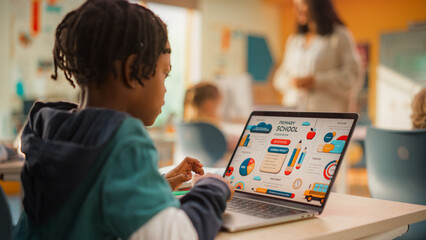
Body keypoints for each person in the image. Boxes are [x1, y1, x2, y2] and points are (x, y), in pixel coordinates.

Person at [13, 1, 234, 239]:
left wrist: (153, 186)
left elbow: (88, 201)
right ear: (132, 70)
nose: (166, 89)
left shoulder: (54, 128)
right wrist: (211, 187)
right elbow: (180, 235)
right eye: (165, 73)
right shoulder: (122, 140)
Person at [273, 0, 363, 112]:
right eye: (294, 6)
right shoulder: (294, 40)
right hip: (293, 114)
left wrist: (316, 81)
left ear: (318, 5)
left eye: (301, 5)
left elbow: (352, 78)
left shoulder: (340, 36)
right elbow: (279, 77)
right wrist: (292, 81)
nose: (295, 10)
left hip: (326, 117)